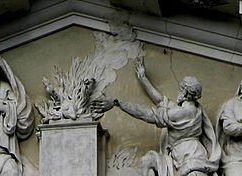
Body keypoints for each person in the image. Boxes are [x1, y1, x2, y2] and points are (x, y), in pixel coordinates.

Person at [91, 60, 220, 176]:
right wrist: (143, 79)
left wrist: (117, 102)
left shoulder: (183, 113)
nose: (179, 92)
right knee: (147, 160)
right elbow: (160, 100)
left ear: (186, 92)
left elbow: (148, 115)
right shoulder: (187, 109)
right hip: (177, 157)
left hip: (191, 158)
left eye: (181, 88)